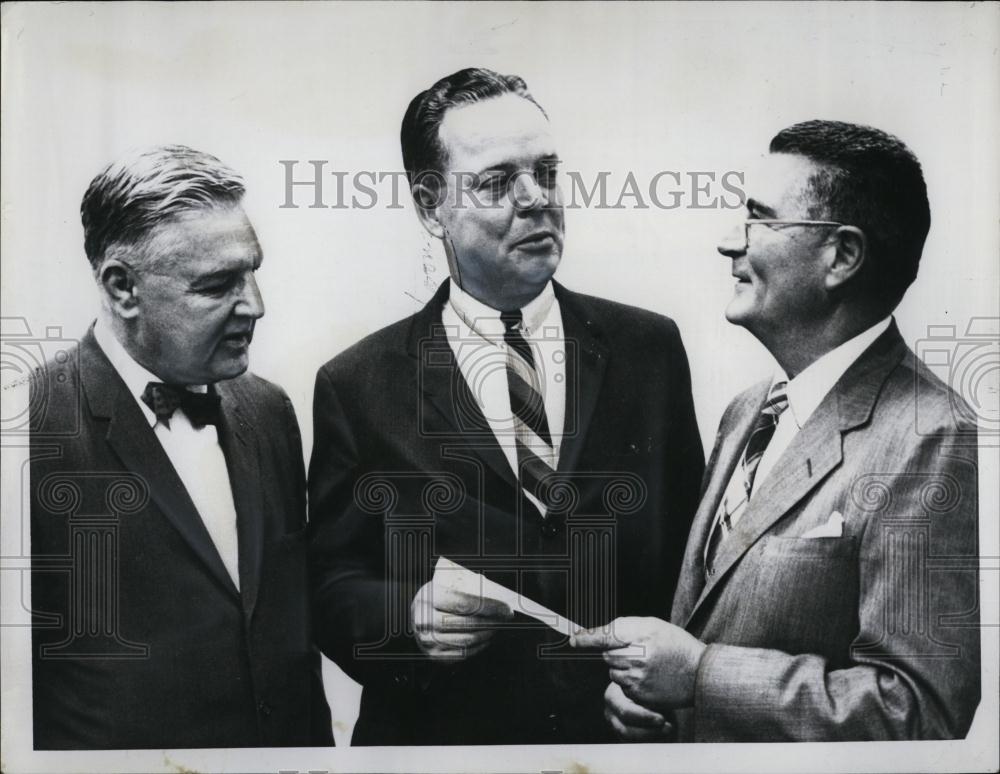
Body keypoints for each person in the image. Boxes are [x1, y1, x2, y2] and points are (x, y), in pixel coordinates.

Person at [307, 67, 704, 745]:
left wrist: (679, 692)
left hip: (619, 745)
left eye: (546, 172)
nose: (537, 200)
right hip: (446, 746)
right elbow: (329, 584)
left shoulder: (649, 348)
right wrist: (410, 619)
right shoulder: (358, 383)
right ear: (431, 206)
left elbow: (694, 563)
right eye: (496, 183)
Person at [572, 120, 981, 741]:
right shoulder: (748, 411)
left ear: (841, 256)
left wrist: (701, 676)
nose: (728, 242)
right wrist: (653, 702)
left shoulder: (930, 436)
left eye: (759, 219)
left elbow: (919, 713)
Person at [29, 145, 333, 749]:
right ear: (123, 289)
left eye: (253, 272)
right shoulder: (28, 429)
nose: (256, 305)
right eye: (219, 285)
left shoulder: (270, 411)